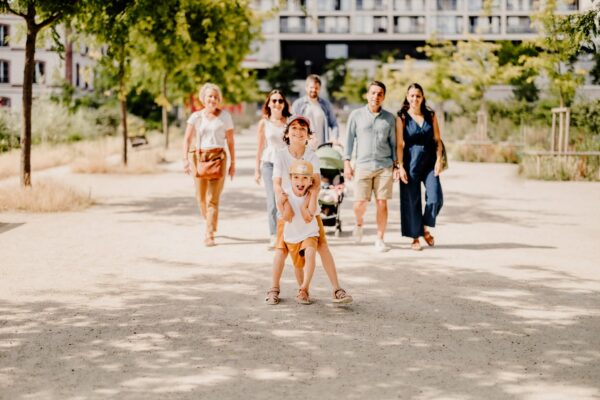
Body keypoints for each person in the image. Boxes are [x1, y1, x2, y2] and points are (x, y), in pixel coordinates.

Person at [265, 115, 352, 305]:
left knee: (322, 247)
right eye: (294, 128)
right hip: (288, 208)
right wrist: (282, 199)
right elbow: (277, 183)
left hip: (309, 211)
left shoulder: (311, 155)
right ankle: (274, 288)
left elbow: (316, 182)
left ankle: (336, 289)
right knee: (281, 249)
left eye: (303, 129)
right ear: (287, 133)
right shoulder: (280, 154)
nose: (298, 132)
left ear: (307, 135)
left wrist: (307, 206)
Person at [343, 81, 396, 253]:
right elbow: (349, 141)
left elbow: (394, 144)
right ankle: (359, 224)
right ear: (367, 94)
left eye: (380, 94)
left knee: (382, 203)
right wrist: (347, 163)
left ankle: (380, 238)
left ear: (383, 97)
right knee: (360, 204)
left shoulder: (389, 119)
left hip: (384, 166)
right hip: (363, 166)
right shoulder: (356, 115)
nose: (376, 97)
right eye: (373, 93)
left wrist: (396, 165)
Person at [182, 83, 235, 247]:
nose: (212, 99)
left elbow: (231, 141)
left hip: (218, 158)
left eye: (215, 97)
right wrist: (185, 160)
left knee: (213, 199)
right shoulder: (196, 117)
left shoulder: (225, 117)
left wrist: (233, 162)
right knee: (200, 198)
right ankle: (209, 221)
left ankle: (209, 233)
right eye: (209, 96)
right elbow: (187, 139)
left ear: (219, 99)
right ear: (203, 99)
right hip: (198, 157)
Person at [395, 83, 444, 251]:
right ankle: (415, 237)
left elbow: (438, 139)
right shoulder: (401, 116)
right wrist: (400, 166)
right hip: (410, 161)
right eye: (412, 96)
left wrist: (439, 160)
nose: (415, 99)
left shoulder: (431, 115)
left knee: (435, 198)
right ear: (407, 97)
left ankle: (423, 226)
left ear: (422, 97)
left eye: (418, 96)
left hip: (430, 161)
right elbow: (400, 145)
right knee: (411, 200)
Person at [276, 159, 320, 304]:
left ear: (310, 181)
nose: (300, 181)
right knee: (298, 266)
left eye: (305, 178)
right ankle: (303, 290)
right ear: (290, 179)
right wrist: (281, 203)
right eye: (296, 177)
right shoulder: (286, 195)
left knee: (310, 253)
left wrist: (313, 194)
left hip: (309, 233)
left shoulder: (310, 195)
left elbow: (312, 212)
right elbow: (287, 217)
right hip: (292, 236)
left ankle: (304, 288)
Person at [254, 90, 292, 249]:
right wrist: (256, 169)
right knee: (272, 202)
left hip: (286, 165)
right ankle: (273, 235)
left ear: (284, 104)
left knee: (285, 199)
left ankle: (286, 234)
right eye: (274, 101)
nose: (277, 104)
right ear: (268, 103)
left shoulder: (289, 121)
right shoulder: (264, 123)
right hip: (269, 164)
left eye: (280, 101)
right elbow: (260, 147)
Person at [291, 74, 339, 149]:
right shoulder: (298, 104)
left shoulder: (326, 105)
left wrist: (334, 137)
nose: (314, 90)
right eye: (311, 87)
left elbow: (334, 124)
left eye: (316, 88)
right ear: (306, 88)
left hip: (322, 147)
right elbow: (291, 125)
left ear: (319, 89)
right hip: (303, 148)